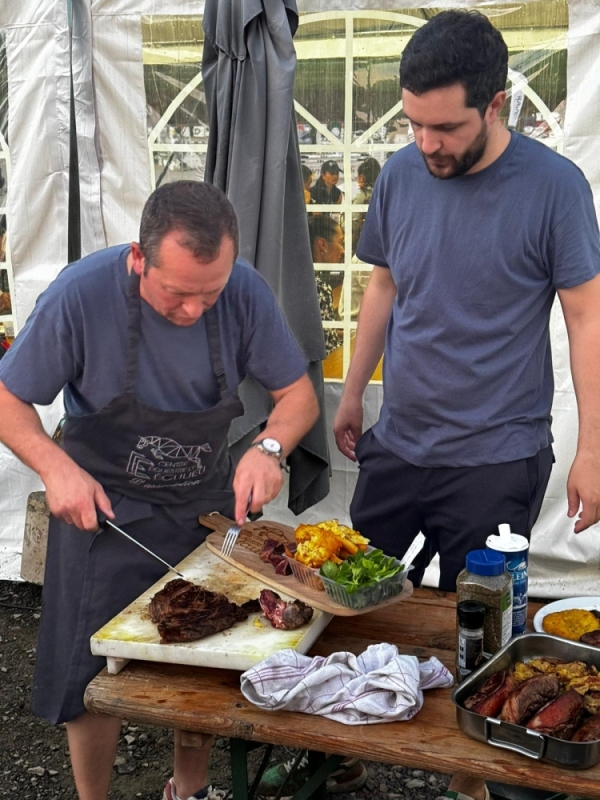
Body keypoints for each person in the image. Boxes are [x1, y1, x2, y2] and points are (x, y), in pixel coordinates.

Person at [334, 11, 600, 800]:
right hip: (401, 442)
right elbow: (384, 283)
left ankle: (479, 781)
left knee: (481, 631)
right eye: (414, 124)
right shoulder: (400, 173)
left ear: (496, 104)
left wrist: (592, 447)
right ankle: (331, 744)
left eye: (444, 127)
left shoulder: (556, 188)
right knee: (354, 605)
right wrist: (353, 392)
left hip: (496, 454)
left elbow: (586, 318)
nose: (427, 144)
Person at [0, 181, 319, 800]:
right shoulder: (80, 296)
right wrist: (53, 465)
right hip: (103, 513)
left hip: (202, 509)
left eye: (211, 293)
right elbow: (9, 397)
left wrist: (269, 447)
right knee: (91, 677)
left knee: (202, 659)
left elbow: (297, 396)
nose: (196, 310)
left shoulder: (244, 290)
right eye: (177, 294)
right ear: (138, 257)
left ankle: (190, 789)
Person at [308, 214, 344, 357]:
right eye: (340, 242)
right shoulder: (319, 289)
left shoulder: (302, 280)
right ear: (322, 245)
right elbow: (328, 349)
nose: (342, 250)